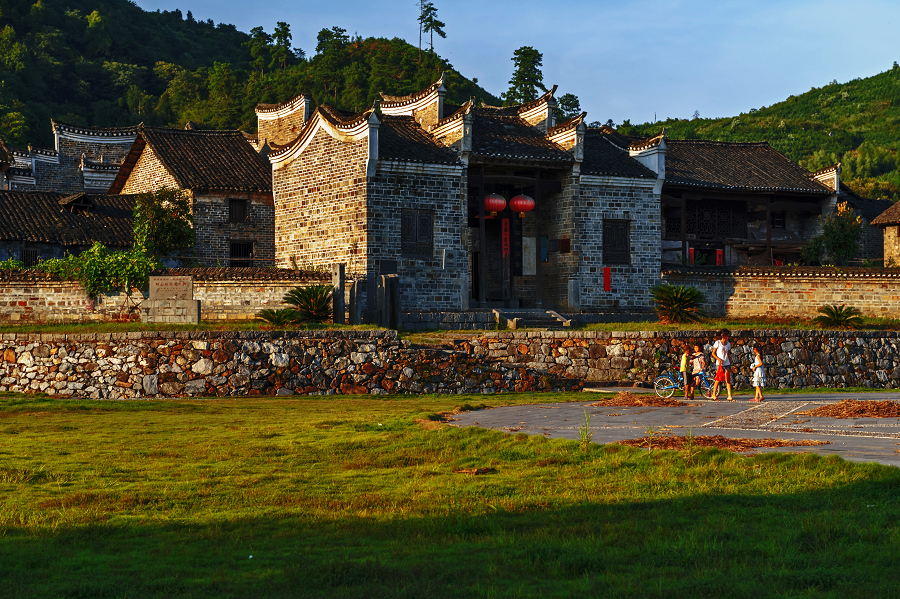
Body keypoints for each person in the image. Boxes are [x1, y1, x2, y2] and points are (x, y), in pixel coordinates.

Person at [711, 329, 734, 401]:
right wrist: (718, 359)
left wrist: (730, 362)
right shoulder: (718, 343)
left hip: (727, 363)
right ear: (723, 335)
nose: (728, 336)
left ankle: (729, 396)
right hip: (720, 364)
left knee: (728, 380)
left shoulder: (728, 344)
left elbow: (728, 354)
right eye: (727, 335)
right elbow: (713, 353)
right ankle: (714, 394)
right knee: (718, 379)